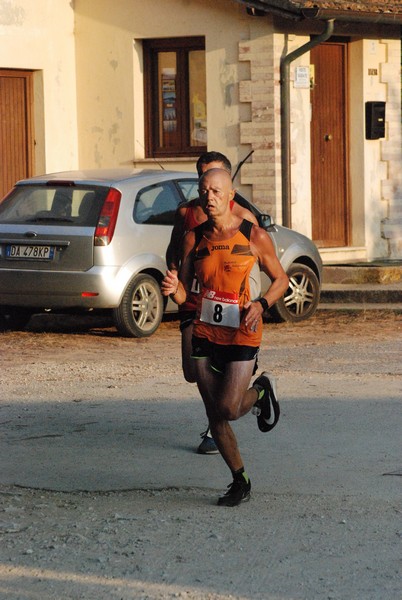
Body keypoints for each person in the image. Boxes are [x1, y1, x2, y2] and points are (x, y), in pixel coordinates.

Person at [162, 168, 289, 506]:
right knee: (214, 414)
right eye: (204, 191)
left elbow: (281, 280)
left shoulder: (254, 236)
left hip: (242, 332)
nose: (209, 197)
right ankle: (240, 480)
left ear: (230, 195)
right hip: (205, 331)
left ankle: (261, 390)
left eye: (216, 191)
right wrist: (175, 290)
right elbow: (185, 295)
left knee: (230, 408)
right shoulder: (194, 238)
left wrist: (261, 304)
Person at [166, 151, 259, 455]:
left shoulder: (245, 218)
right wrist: (175, 278)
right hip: (193, 303)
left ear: (228, 184)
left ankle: (214, 426)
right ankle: (220, 413)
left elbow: (253, 268)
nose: (208, 190)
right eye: (203, 181)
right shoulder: (186, 214)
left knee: (221, 392)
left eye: (215, 182)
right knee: (191, 372)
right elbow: (174, 251)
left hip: (231, 310)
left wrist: (253, 304)